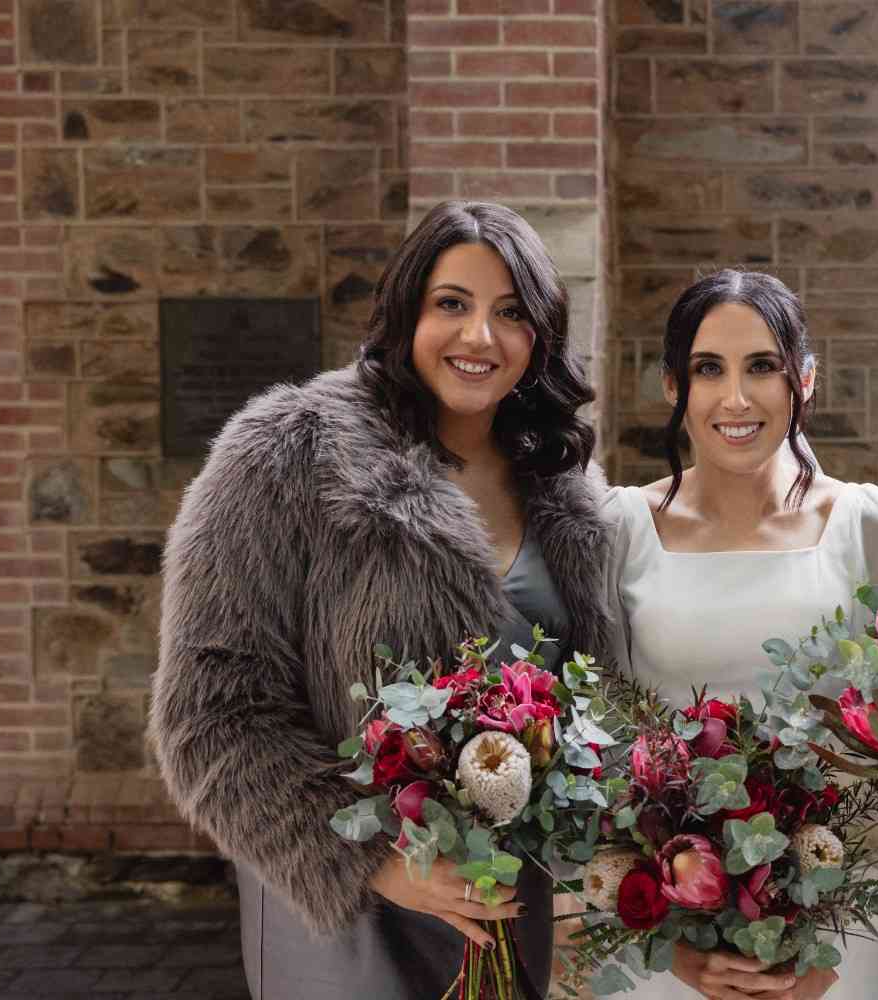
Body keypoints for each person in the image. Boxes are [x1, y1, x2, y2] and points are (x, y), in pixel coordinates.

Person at [148, 201, 617, 1000]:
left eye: (511, 312)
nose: (480, 336)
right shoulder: (285, 453)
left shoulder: (564, 485)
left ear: (541, 336)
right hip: (347, 914)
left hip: (509, 905)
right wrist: (376, 861)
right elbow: (210, 713)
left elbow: (592, 701)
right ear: (405, 313)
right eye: (452, 303)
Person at [602, 269, 878, 1000]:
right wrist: (668, 940)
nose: (736, 398)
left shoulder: (866, 523)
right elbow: (604, 741)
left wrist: (838, 940)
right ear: (673, 385)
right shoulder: (621, 528)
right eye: (709, 369)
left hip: (838, 942)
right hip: (671, 941)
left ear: (805, 379)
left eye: (763, 366)